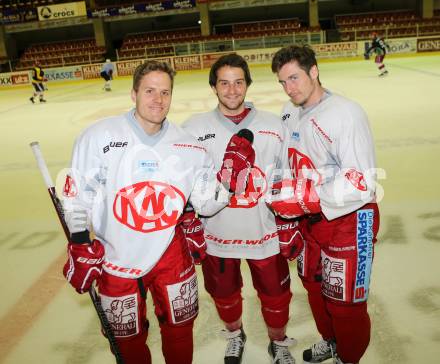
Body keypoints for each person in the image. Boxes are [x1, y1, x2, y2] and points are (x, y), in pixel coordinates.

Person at [61, 60, 255, 364]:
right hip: (116, 257)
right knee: (127, 341)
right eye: (149, 91)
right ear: (134, 93)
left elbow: (206, 203)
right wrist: (79, 240)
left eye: (165, 92)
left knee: (180, 330)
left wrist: (229, 184)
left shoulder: (189, 147)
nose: (158, 100)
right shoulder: (98, 136)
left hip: (170, 252)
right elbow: (76, 197)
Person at [183, 53, 302, 364]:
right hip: (217, 235)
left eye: (238, 82)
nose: (232, 90)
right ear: (213, 87)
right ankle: (235, 336)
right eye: (224, 83)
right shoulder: (193, 129)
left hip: (265, 232)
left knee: (276, 296)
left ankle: (278, 343)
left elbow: (285, 176)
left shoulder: (274, 125)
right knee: (224, 295)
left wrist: (290, 223)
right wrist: (188, 220)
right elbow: (184, 181)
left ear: (248, 84)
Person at [269, 45, 380, 364]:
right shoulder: (289, 112)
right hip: (309, 220)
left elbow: (362, 181)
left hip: (349, 219)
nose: (290, 88)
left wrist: (305, 199)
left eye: (294, 78)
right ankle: (331, 341)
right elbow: (287, 164)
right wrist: (284, 210)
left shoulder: (345, 113)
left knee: (345, 303)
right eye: (283, 82)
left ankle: (349, 358)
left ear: (314, 71)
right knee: (315, 288)